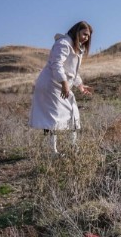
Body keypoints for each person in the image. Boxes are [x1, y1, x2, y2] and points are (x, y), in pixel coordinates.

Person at [29, 21, 94, 155]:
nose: (86, 38)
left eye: (88, 36)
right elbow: (56, 65)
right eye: (84, 34)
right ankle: (52, 152)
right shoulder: (63, 44)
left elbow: (71, 71)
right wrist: (64, 83)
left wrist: (80, 85)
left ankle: (73, 148)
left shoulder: (76, 48)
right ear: (77, 31)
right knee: (52, 119)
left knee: (73, 113)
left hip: (59, 84)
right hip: (50, 85)